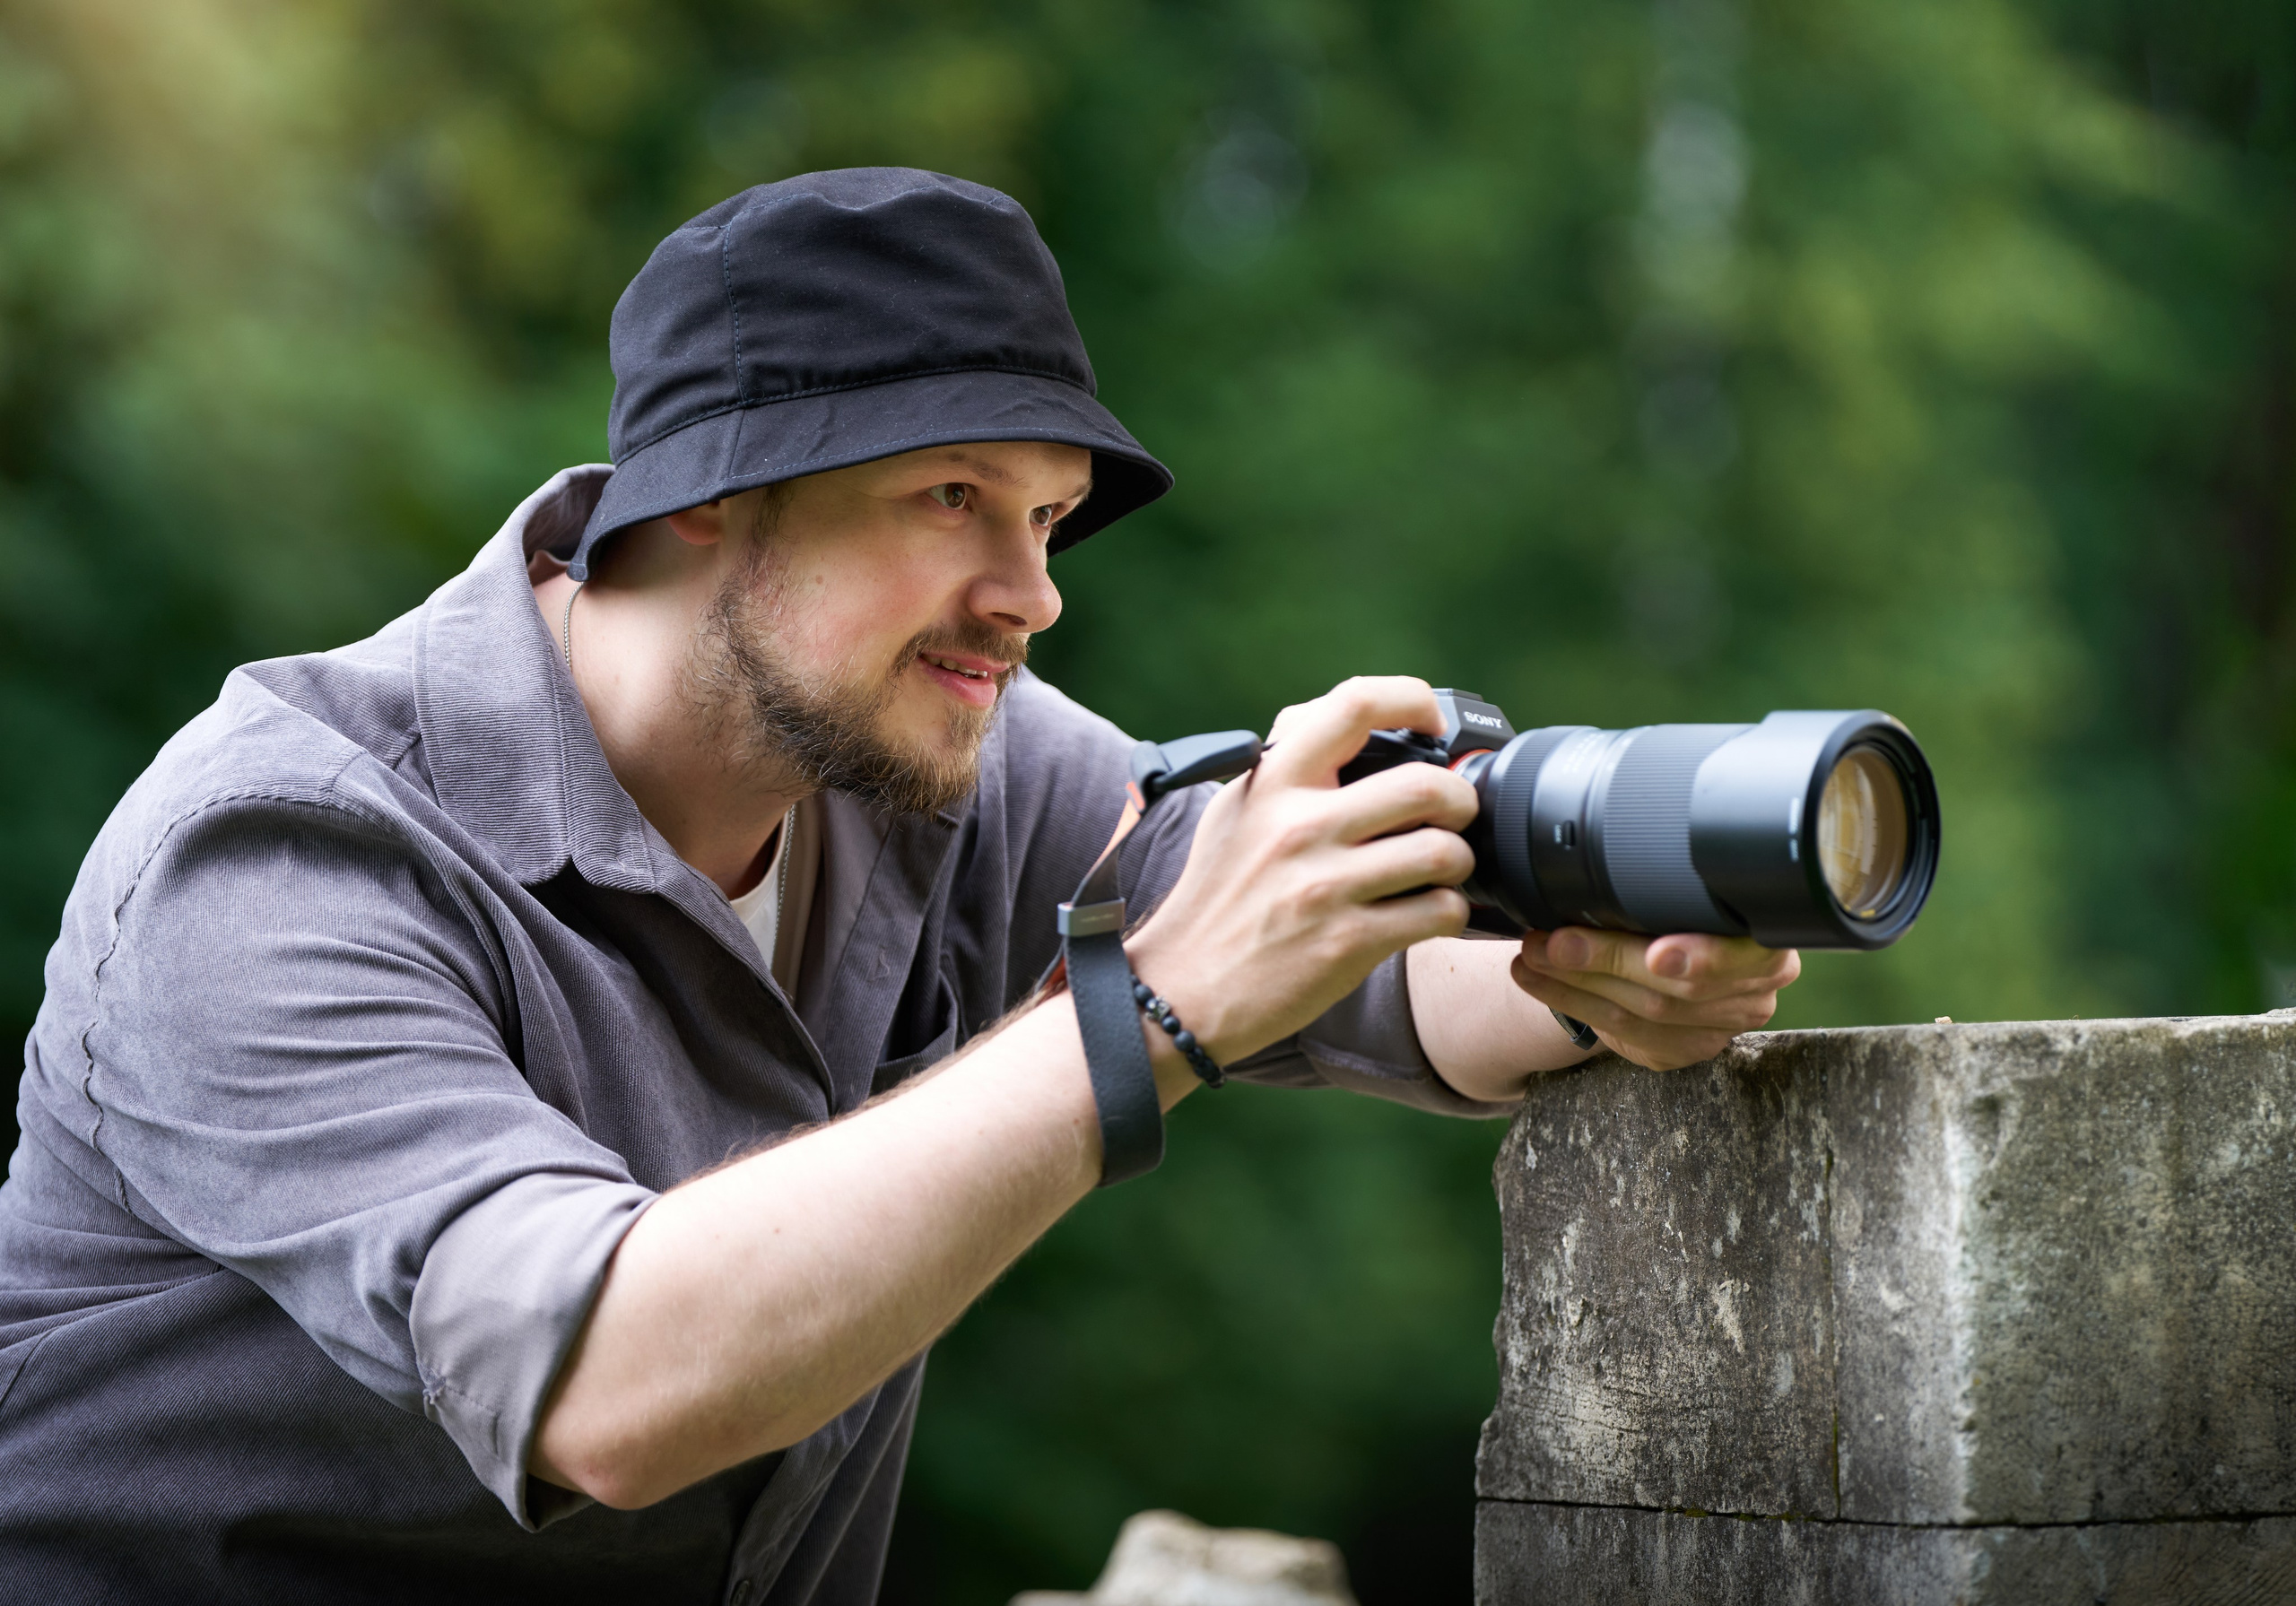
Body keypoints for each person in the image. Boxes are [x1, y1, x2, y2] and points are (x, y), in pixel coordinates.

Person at [0, 169, 1798, 1602]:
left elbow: (1368, 968)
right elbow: (602, 1382)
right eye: (952, 495)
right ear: (704, 498)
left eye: (1046, 515)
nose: (1034, 593)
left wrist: (1585, 974)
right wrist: (1152, 1010)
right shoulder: (273, 857)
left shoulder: (926, 751)